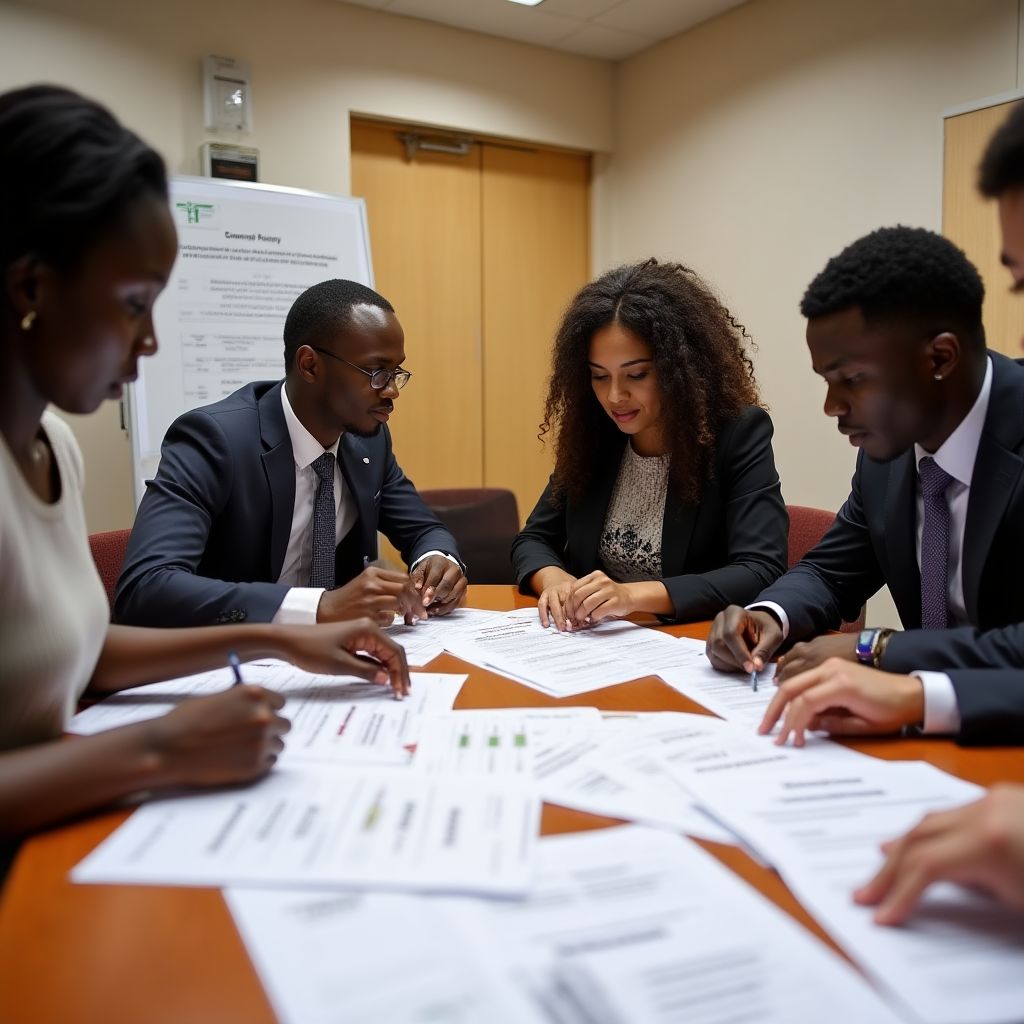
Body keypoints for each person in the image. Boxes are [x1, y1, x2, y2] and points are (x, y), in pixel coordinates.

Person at [0, 85, 409, 855]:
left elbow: (80, 651)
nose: (150, 341)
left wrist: (281, 640)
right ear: (31, 287)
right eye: (133, 303)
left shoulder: (51, 445)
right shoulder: (215, 438)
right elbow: (144, 595)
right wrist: (157, 749)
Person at [705, 225, 1024, 742]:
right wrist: (769, 615)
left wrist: (877, 649)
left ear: (939, 358)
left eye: (852, 380)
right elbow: (832, 571)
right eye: (825, 382)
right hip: (922, 740)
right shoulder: (888, 457)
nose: (832, 406)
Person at [114, 278, 469, 629]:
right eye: (376, 372)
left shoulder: (369, 443)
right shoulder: (215, 440)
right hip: (234, 652)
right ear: (310, 365)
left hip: (340, 654)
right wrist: (318, 606)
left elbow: (423, 529)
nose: (392, 390)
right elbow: (145, 588)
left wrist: (436, 560)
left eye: (396, 372)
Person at [511, 258, 788, 629]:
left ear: (680, 367)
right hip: (595, 641)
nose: (614, 396)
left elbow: (760, 569)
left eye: (637, 374)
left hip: (690, 640)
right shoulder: (596, 434)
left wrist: (632, 596)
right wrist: (555, 580)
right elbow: (533, 539)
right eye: (599, 376)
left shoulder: (736, 434)